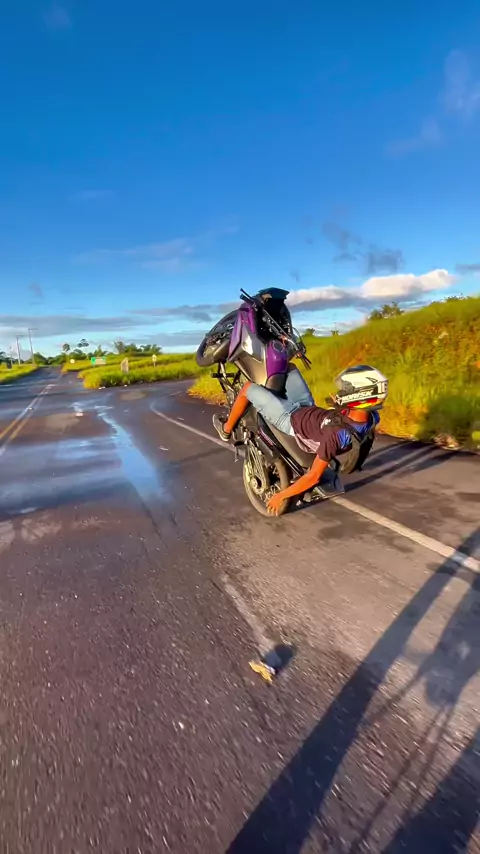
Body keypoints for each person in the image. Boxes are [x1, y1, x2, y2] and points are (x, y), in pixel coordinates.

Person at [213, 364, 388, 515]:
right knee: (288, 367)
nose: (341, 391)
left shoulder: (335, 435)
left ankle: (226, 429)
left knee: (247, 389)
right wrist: (340, 405)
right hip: (306, 407)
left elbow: (312, 477)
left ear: (358, 396)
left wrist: (280, 496)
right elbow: (352, 417)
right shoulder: (371, 416)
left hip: (289, 419)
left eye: (346, 389)